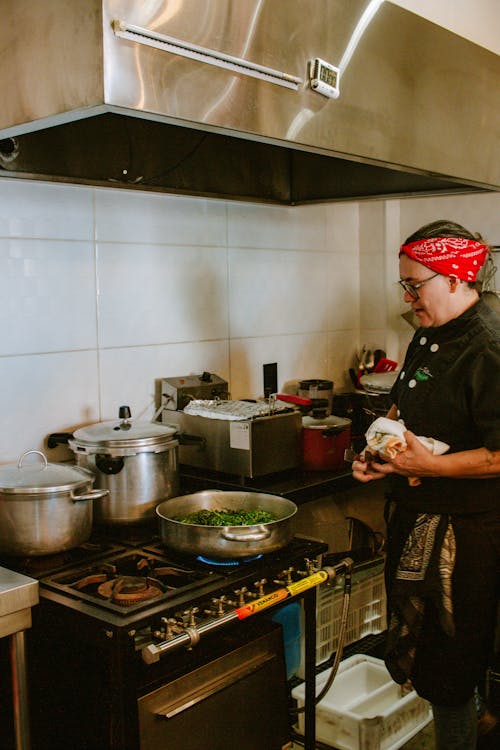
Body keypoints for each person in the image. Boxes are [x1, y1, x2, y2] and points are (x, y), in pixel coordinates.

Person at [352, 220, 500, 750]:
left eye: (417, 284)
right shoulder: (428, 334)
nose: (409, 296)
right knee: (437, 659)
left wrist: (433, 467)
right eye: (405, 285)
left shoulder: (489, 347)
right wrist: (376, 455)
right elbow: (401, 412)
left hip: (466, 538)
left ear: (459, 278)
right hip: (418, 517)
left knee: (449, 669)